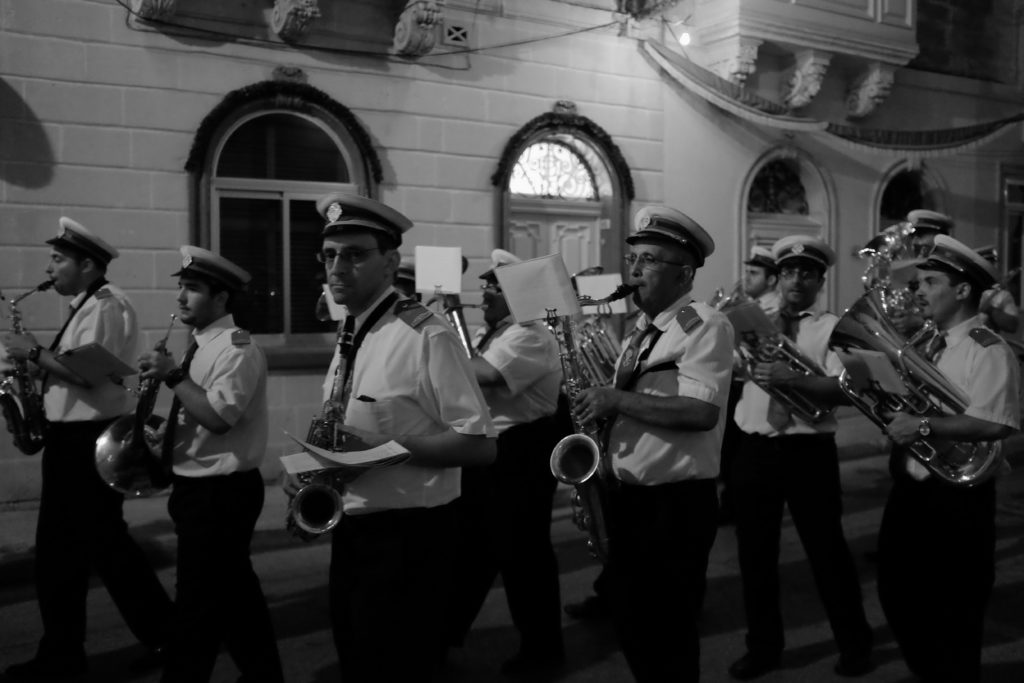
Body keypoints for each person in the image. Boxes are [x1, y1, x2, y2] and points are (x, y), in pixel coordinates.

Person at [293, 192, 496, 683]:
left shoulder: (426, 335)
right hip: (357, 531)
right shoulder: (353, 330)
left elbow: (480, 445)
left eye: (354, 254)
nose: (337, 267)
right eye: (329, 255)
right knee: (358, 659)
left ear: (389, 262)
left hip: (411, 540)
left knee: (401, 665)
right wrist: (311, 472)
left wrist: (380, 453)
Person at [1, 218, 173, 681]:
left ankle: (67, 655)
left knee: (76, 551)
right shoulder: (85, 306)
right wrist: (34, 370)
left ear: (87, 264)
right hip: (71, 440)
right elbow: (75, 369)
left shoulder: (105, 306)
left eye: (59, 259)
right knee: (94, 550)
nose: (50, 268)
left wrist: (34, 355)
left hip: (84, 441)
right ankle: (155, 637)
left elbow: (90, 374)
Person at [573, 205, 734, 682]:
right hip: (632, 501)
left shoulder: (703, 325)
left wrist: (615, 399)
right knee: (632, 625)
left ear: (684, 273)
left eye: (649, 260)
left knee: (667, 638)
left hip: (674, 507)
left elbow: (701, 412)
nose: (635, 271)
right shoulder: (642, 333)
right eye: (635, 259)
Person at [728, 235, 874, 680]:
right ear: (779, 276)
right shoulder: (758, 318)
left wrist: (795, 377)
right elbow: (732, 366)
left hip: (808, 449)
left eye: (806, 273)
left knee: (827, 552)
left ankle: (855, 644)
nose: (796, 280)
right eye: (789, 272)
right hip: (754, 446)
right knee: (755, 555)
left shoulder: (831, 327)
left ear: (819, 280)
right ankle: (764, 647)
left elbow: (849, 388)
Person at [138, 246, 284, 683]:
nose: (181, 297)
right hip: (198, 488)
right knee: (235, 598)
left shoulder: (237, 349)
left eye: (193, 289)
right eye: (181, 287)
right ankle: (263, 674)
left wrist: (173, 377)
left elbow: (219, 418)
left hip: (221, 494)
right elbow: (198, 414)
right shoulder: (201, 345)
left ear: (221, 299)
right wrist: (166, 433)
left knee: (198, 605)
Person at [880, 235, 1020, 683]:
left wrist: (922, 426)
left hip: (958, 499)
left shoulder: (988, 348)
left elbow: (997, 423)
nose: (919, 290)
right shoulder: (928, 343)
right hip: (913, 490)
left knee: (956, 618)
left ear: (962, 291)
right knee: (897, 594)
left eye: (930, 281)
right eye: (920, 281)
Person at [446, 249, 566, 675]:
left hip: (521, 453)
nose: (484, 294)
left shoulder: (529, 335)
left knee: (523, 557)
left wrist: (433, 340)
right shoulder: (495, 332)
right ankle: (446, 635)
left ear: (517, 294)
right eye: (485, 285)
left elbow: (484, 374)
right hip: (494, 451)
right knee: (477, 548)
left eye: (493, 286)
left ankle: (544, 649)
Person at [719, 246, 781, 525]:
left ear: (771, 280)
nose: (746, 278)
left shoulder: (769, 310)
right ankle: (731, 504)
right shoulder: (746, 306)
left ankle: (733, 506)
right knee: (732, 453)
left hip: (750, 387)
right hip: (738, 387)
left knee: (736, 453)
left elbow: (745, 356)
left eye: (754, 273)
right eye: (746, 271)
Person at [976, 245, 1020, 335]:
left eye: (991, 265)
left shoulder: (1002, 295)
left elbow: (1012, 326)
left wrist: (991, 310)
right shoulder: (960, 288)